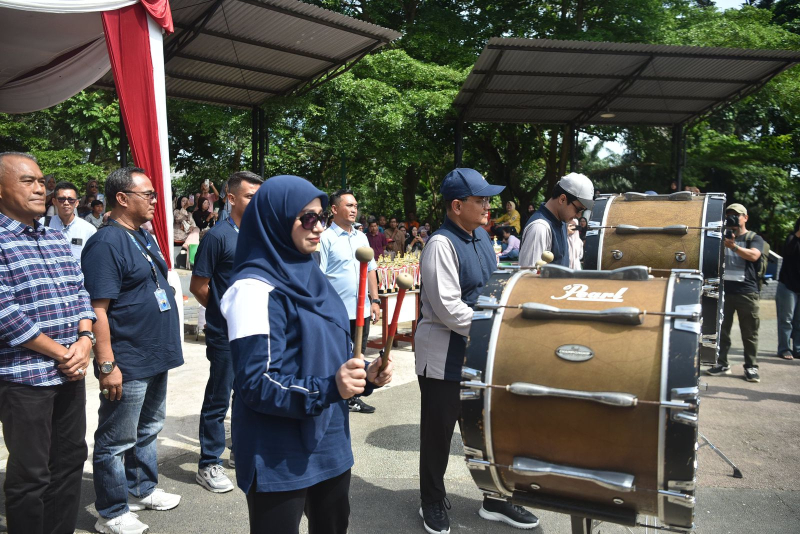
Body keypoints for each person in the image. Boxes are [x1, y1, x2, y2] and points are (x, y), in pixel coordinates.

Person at [219, 175, 393, 534]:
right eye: (306, 218)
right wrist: (331, 387)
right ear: (276, 219)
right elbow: (256, 382)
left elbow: (332, 359)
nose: (318, 228)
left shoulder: (313, 275)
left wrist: (364, 378)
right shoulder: (253, 290)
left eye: (321, 218)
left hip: (329, 441)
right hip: (277, 450)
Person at [415, 168, 539, 533]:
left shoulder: (482, 237)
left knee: (487, 433)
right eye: (481, 199)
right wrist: (501, 328)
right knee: (438, 436)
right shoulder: (440, 244)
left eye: (488, 199)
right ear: (456, 206)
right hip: (445, 357)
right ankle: (432, 501)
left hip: (481, 352)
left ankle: (497, 498)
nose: (489, 205)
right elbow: (449, 309)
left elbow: (494, 285)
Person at [82, 167, 184, 534]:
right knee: (115, 438)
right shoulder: (106, 242)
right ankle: (110, 511)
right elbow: (97, 309)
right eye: (149, 195)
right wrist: (107, 363)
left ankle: (141, 488)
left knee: (149, 427)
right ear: (122, 198)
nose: (156, 202)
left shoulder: (142, 234)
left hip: (155, 353)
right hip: (128, 357)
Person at [0, 152, 96, 534]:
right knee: (31, 475)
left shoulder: (54, 234)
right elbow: (5, 313)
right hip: (26, 379)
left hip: (70, 371)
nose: (41, 187)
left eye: (42, 180)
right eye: (28, 181)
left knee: (70, 461)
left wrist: (85, 338)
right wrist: (63, 353)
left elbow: (80, 290)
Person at [190, 171, 263, 493]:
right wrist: (224, 312)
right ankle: (208, 462)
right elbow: (199, 286)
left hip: (254, 331)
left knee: (246, 395)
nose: (256, 201)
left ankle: (240, 451)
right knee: (219, 397)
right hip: (224, 333)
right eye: (249, 195)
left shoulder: (260, 233)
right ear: (231, 198)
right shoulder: (217, 236)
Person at [319, 188, 382, 414]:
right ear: (334, 209)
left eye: (356, 205)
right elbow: (320, 276)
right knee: (336, 356)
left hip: (362, 310)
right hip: (336, 313)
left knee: (359, 354)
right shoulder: (324, 238)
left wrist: (375, 300)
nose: (354, 209)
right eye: (349, 205)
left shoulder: (361, 236)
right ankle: (336, 396)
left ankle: (354, 397)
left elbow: (371, 270)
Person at [706, 203, 764, 383]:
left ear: (745, 217)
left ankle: (751, 366)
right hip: (724, 292)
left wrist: (733, 247)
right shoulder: (718, 237)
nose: (732, 218)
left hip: (747, 292)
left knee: (750, 332)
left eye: (736, 215)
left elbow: (754, 256)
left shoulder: (754, 237)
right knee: (722, 331)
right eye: (729, 215)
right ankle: (722, 363)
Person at [519, 173, 594, 267]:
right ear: (562, 199)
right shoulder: (539, 228)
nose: (579, 216)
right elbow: (528, 277)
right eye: (578, 209)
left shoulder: (561, 222)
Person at [41, 181, 97, 261]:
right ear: (54, 202)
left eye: (71, 200)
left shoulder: (89, 230)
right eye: (61, 199)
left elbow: (93, 259)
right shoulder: (43, 224)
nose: (66, 203)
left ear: (77, 203)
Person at [776, 216, 800, 360]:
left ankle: (798, 349)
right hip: (788, 286)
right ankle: (784, 348)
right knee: (786, 320)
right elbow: (788, 251)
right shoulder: (791, 238)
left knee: (799, 321)